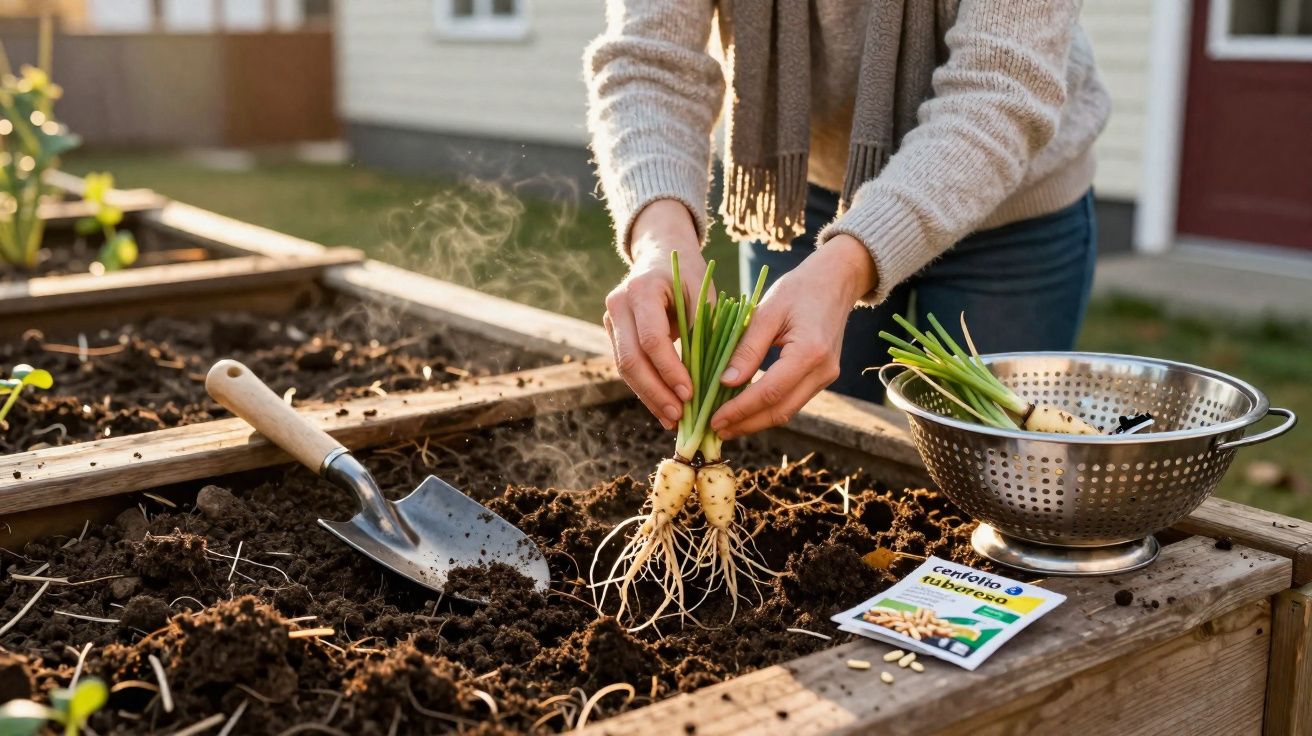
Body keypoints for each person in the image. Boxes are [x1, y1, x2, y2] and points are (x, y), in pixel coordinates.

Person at [585, 0, 1109, 439]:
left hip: (1011, 215)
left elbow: (1000, 91)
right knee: (800, 445)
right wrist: (661, 241)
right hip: (810, 197)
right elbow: (648, 63)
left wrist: (846, 267)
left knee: (1003, 468)